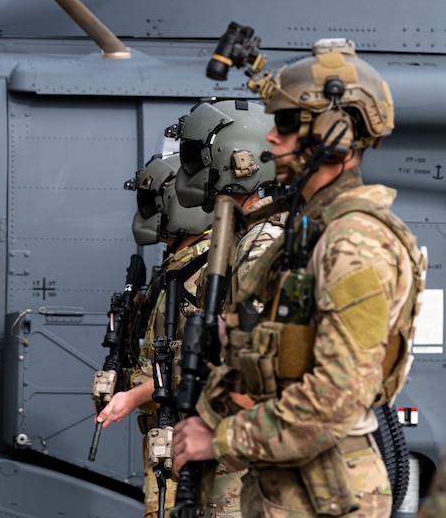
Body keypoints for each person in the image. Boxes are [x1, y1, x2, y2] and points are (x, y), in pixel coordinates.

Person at [172, 38, 427, 517]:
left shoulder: (355, 244)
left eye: (286, 123)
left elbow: (335, 400)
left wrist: (221, 438)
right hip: (292, 487)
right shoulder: (312, 230)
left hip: (327, 496)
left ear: (333, 133)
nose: (271, 138)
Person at [97, 98, 277, 518]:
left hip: (230, 447)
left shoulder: (253, 247)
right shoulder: (230, 249)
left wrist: (138, 393)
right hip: (205, 435)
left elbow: (236, 365)